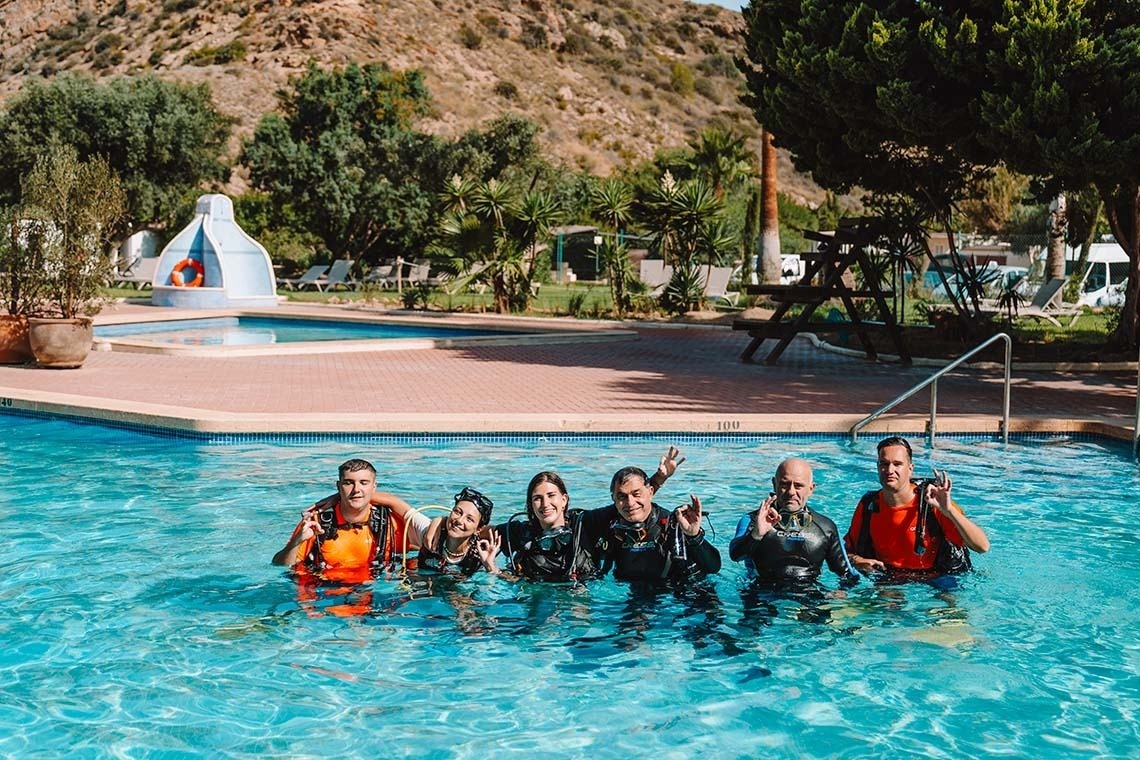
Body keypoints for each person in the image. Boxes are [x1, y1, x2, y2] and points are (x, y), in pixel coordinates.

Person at [495, 446, 686, 583]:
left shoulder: (585, 523)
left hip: (580, 599)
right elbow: (481, 532)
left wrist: (659, 479)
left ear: (564, 500)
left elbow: (629, 505)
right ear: (530, 504)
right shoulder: (520, 532)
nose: (545, 504)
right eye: (537, 498)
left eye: (551, 495)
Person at [844, 436, 990, 579]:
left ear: (910, 469)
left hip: (938, 578)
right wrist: (857, 561)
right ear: (877, 467)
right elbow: (845, 552)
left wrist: (949, 511)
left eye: (897, 464)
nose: (889, 470)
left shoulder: (932, 502)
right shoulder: (869, 505)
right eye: (884, 464)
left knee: (948, 603)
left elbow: (982, 547)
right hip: (890, 579)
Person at [272, 458, 429, 582]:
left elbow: (428, 542)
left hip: (375, 599)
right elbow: (280, 565)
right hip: (325, 600)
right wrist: (297, 541)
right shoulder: (317, 522)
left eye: (363, 483)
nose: (356, 490)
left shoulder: (389, 522)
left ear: (374, 487)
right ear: (339, 486)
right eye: (349, 483)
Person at [729, 457, 859, 588]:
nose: (791, 492)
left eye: (798, 486)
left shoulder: (825, 527)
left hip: (809, 597)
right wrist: (756, 534)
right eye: (785, 484)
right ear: (775, 484)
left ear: (811, 489)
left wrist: (840, 594)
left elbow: (848, 574)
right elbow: (735, 555)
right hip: (761, 595)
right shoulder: (753, 520)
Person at [581, 465, 720, 584]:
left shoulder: (672, 523)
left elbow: (714, 567)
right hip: (635, 593)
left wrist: (694, 536)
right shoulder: (606, 521)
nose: (630, 503)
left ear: (651, 492)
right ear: (614, 499)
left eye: (637, 494)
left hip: (677, 590)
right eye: (622, 496)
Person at [416, 487, 501, 577]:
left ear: (478, 529)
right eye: (457, 512)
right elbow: (403, 509)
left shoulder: (479, 556)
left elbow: (510, 581)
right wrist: (438, 520)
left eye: (469, 519)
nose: (460, 520)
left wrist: (491, 567)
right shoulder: (432, 534)